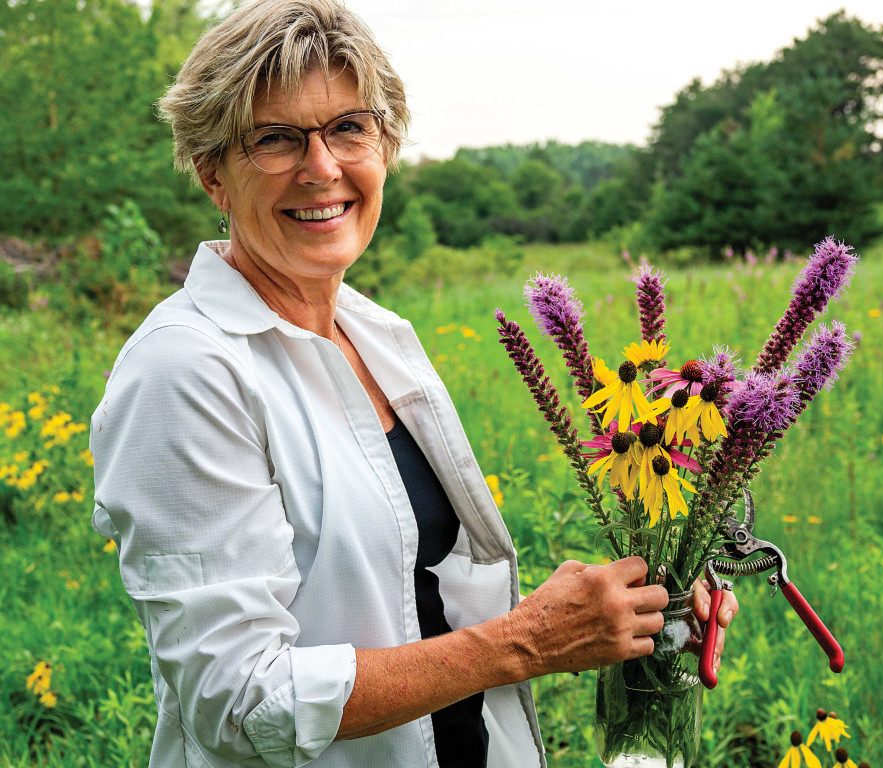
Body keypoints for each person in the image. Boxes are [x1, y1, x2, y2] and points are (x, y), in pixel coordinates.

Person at [89, 1, 739, 766]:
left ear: (386, 145)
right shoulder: (186, 370)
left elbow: (415, 609)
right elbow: (239, 700)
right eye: (274, 139)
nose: (322, 167)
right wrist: (526, 642)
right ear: (212, 175)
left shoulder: (376, 333)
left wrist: (613, 610)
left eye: (348, 128)